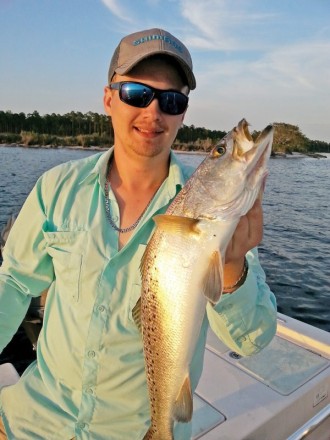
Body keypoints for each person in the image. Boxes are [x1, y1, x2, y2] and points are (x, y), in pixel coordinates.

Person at [0, 28, 277, 439]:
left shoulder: (222, 223)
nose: (154, 112)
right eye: (136, 92)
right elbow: (16, 282)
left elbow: (253, 339)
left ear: (182, 113)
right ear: (109, 98)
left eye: (171, 100)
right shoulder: (55, 188)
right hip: (32, 423)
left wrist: (233, 263)